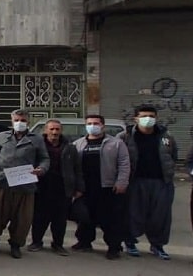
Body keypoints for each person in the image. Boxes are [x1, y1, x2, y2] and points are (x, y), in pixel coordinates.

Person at [0, 109, 50, 259]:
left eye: (23, 121)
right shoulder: (2, 136)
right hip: (1, 182)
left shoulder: (37, 139)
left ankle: (15, 245)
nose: (19, 123)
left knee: (22, 219)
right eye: (16, 120)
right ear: (11, 121)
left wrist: (41, 169)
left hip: (25, 185)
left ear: (28, 122)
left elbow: (44, 158)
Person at [120, 105, 177, 260]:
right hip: (135, 181)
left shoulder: (166, 136)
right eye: (144, 116)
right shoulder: (125, 136)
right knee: (133, 213)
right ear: (136, 118)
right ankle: (130, 242)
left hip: (161, 182)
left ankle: (157, 245)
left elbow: (173, 156)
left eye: (151, 116)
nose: (148, 119)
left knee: (160, 216)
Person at [72, 115, 130, 259]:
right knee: (85, 217)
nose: (93, 126)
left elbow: (124, 163)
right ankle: (84, 241)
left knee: (110, 219)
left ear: (103, 125)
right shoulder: (78, 144)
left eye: (96, 123)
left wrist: (121, 182)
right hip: (85, 188)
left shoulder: (116, 143)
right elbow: (72, 167)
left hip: (108, 187)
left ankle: (114, 247)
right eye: (89, 123)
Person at [27, 120, 84, 256]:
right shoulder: (37, 145)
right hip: (42, 186)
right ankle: (36, 242)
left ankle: (58, 244)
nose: (55, 132)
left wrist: (79, 187)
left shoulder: (70, 147)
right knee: (39, 217)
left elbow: (77, 168)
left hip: (63, 188)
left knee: (60, 219)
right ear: (46, 130)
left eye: (57, 129)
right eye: (52, 129)